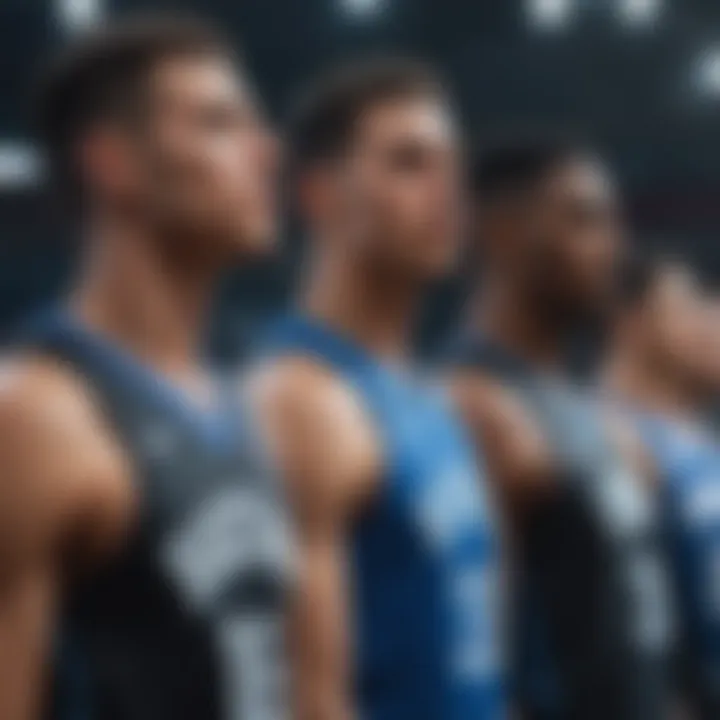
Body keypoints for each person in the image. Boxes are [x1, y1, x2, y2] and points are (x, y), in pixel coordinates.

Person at [0, 15, 290, 720]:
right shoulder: (35, 417)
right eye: (219, 123)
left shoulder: (239, 400)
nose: (267, 150)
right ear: (113, 165)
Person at [250, 60, 505, 720]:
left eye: (452, 166)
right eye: (408, 163)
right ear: (319, 195)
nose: (447, 192)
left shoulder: (432, 396)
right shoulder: (300, 400)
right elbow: (309, 702)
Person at [446, 140, 673, 720]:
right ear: (500, 232)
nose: (612, 247)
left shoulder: (595, 415)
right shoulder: (474, 407)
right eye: (582, 219)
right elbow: (471, 656)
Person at [604, 256, 720, 719]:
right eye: (684, 312)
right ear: (633, 322)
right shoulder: (619, 440)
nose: (702, 328)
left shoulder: (699, 441)